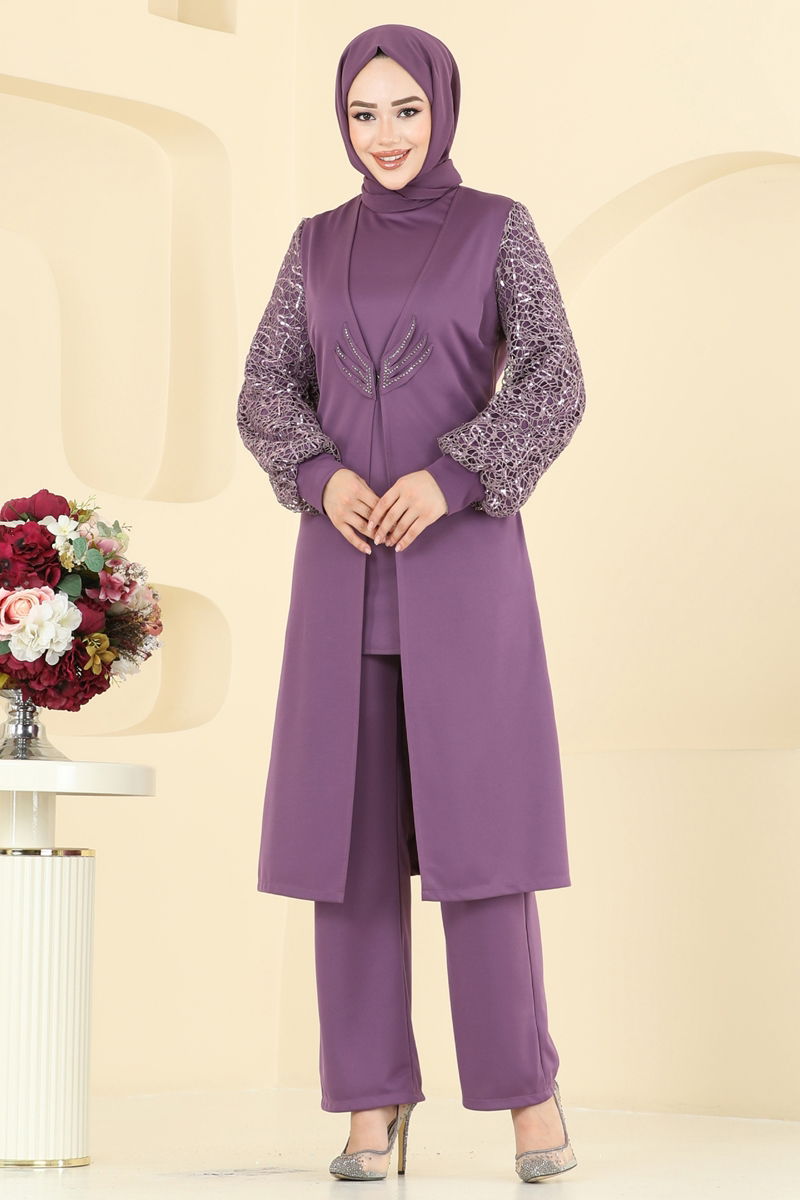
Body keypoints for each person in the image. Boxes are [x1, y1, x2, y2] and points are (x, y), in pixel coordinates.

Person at [236, 22, 586, 1183]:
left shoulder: (497, 228)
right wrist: (316, 475)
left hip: (463, 576)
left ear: (439, 110)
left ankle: (526, 1095)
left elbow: (554, 380)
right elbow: (264, 389)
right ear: (341, 122)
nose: (383, 136)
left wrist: (452, 478)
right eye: (361, 114)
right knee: (345, 855)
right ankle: (368, 1102)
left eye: (404, 111)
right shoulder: (314, 244)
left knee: (482, 848)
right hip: (339, 585)